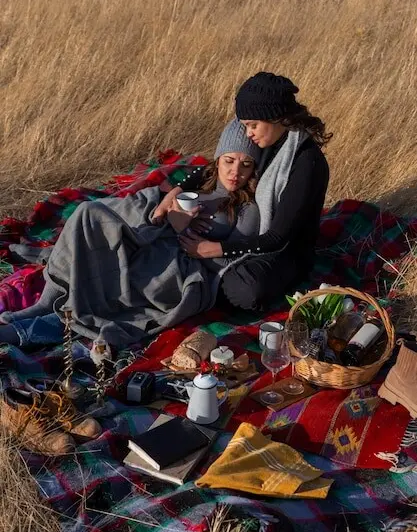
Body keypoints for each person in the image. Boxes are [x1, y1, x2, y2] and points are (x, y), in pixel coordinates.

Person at [0, 120, 261, 348]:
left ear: (253, 168)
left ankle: (32, 329)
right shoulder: (203, 179)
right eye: (229, 161)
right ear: (218, 159)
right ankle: (49, 300)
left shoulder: (247, 209)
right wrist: (170, 216)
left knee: (118, 273)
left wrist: (197, 244)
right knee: (89, 214)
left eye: (246, 164)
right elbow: (167, 204)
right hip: (158, 236)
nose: (235, 172)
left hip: (183, 268)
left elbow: (234, 261)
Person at [179, 72, 332, 310]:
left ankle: (200, 276)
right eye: (245, 126)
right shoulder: (270, 140)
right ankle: (200, 276)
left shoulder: (306, 162)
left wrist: (214, 249)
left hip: (285, 253)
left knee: (248, 289)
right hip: (251, 236)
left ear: (276, 117)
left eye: (253, 125)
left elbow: (277, 238)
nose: (249, 133)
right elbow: (217, 163)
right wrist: (177, 190)